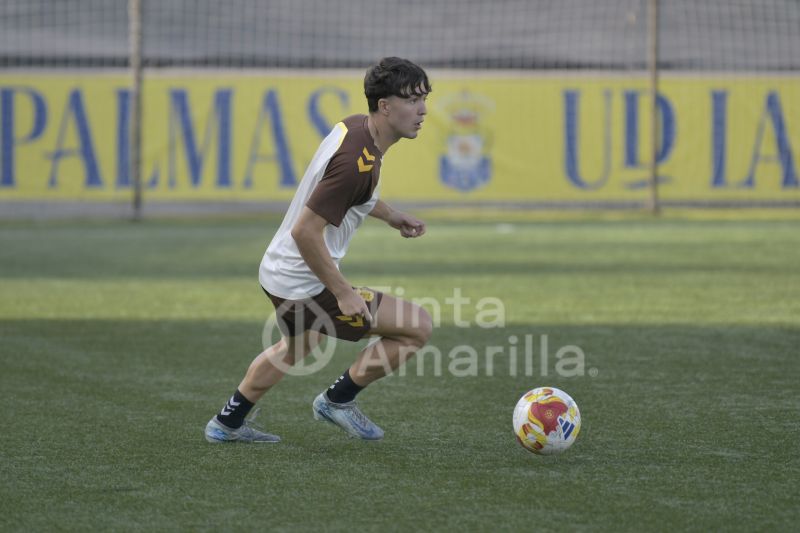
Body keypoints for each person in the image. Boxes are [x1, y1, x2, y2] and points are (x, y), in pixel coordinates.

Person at [205, 57, 434, 443]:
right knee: (416, 327)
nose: (423, 110)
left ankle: (226, 422)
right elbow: (305, 231)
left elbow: (349, 195)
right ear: (384, 106)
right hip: (304, 283)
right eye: (412, 100)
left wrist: (391, 216)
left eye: (424, 99)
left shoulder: (355, 127)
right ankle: (337, 401)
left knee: (296, 347)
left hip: (280, 271)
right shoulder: (355, 164)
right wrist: (343, 293)